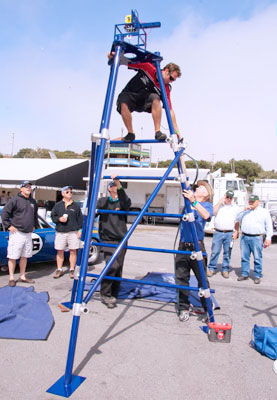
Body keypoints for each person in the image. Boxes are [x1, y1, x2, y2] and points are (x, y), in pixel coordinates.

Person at [108, 52, 182, 142]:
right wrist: (114, 56)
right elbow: (127, 62)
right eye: (171, 78)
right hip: (131, 95)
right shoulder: (148, 67)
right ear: (166, 71)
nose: (171, 82)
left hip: (145, 102)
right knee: (123, 100)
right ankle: (130, 133)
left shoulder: (165, 88)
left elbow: (169, 110)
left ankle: (157, 132)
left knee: (156, 98)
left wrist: (176, 130)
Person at [175, 181, 213, 322]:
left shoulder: (206, 205)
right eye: (197, 187)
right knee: (181, 279)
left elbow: (206, 216)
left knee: (202, 279)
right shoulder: (188, 202)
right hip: (183, 245)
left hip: (197, 246)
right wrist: (182, 159)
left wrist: (194, 203)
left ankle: (207, 308)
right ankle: (183, 307)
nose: (197, 189)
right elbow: (184, 179)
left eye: (201, 188)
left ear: (207, 193)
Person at [97, 175, 131, 308]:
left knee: (119, 268)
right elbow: (91, 212)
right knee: (112, 266)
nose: (115, 187)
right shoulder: (103, 201)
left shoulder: (123, 202)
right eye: (113, 185)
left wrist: (118, 182)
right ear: (109, 188)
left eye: (117, 185)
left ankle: (114, 294)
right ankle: (105, 293)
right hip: (108, 239)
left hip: (121, 239)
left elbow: (126, 201)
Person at [1, 181, 38, 287]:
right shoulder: (15, 200)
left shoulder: (33, 201)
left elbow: (35, 215)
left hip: (28, 233)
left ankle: (22, 276)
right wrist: (8, 226)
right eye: (26, 186)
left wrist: (34, 224)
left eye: (30, 186)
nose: (28, 188)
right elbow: (4, 213)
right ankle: (12, 278)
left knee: (24, 256)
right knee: (13, 256)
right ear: (20, 189)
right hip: (17, 233)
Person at [237, 194, 273, 284]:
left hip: (257, 237)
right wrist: (243, 210)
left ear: (258, 202)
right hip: (245, 236)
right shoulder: (246, 211)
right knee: (244, 257)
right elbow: (237, 218)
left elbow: (269, 225)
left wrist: (268, 238)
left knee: (257, 257)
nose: (251, 203)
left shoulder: (263, 212)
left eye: (253, 202)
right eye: (250, 201)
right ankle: (245, 274)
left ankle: (257, 275)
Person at [51, 186, 83, 279]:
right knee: (59, 251)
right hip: (60, 232)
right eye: (67, 192)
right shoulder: (57, 205)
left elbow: (80, 219)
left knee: (73, 251)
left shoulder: (76, 206)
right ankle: (59, 269)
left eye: (71, 192)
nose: (69, 193)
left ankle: (72, 270)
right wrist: (59, 219)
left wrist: (80, 230)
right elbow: (53, 217)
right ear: (62, 193)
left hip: (73, 232)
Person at [207, 189, 240, 279]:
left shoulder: (235, 208)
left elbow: (237, 221)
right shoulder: (219, 206)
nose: (228, 199)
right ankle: (211, 268)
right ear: (224, 197)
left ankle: (225, 269)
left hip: (229, 233)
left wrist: (236, 231)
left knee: (227, 253)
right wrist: (219, 202)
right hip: (218, 232)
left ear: (232, 198)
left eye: (230, 198)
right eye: (227, 197)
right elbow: (212, 213)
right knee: (215, 251)